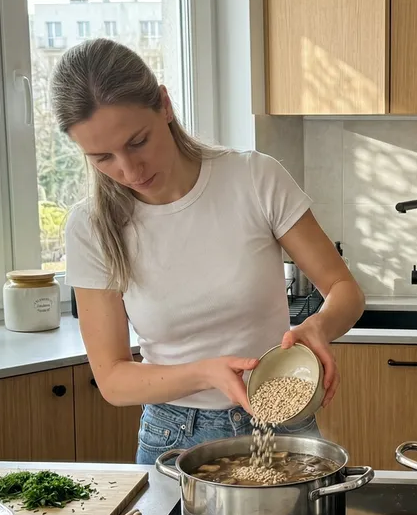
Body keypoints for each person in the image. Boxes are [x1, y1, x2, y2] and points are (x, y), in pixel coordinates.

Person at [56, 38, 365, 465]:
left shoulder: (254, 178)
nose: (129, 170)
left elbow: (344, 288)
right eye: (102, 157)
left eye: (138, 141)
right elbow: (113, 380)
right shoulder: (91, 226)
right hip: (174, 437)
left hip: (281, 419)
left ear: (164, 105)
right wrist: (205, 372)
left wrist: (319, 326)